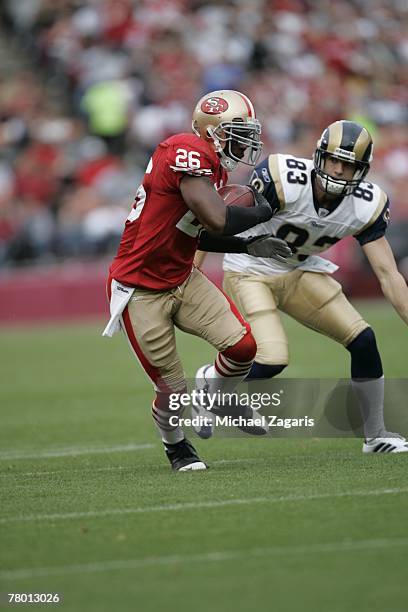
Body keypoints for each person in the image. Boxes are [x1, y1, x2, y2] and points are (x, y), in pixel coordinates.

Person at [102, 89, 291, 471]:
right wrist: (265, 211)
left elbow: (195, 231)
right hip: (141, 290)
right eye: (239, 130)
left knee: (242, 349)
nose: (247, 140)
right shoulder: (185, 149)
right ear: (212, 131)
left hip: (182, 275)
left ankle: (216, 393)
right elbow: (216, 218)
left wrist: (247, 246)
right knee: (172, 392)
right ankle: (177, 447)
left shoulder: (212, 167)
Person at [196, 120, 408, 453]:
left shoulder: (368, 203)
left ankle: (376, 433)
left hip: (299, 270)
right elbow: (217, 221)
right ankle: (210, 382)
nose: (338, 171)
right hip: (251, 269)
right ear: (319, 155)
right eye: (333, 160)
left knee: (364, 340)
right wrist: (192, 273)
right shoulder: (283, 178)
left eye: (348, 164)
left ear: (362, 170)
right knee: (272, 358)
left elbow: (388, 274)